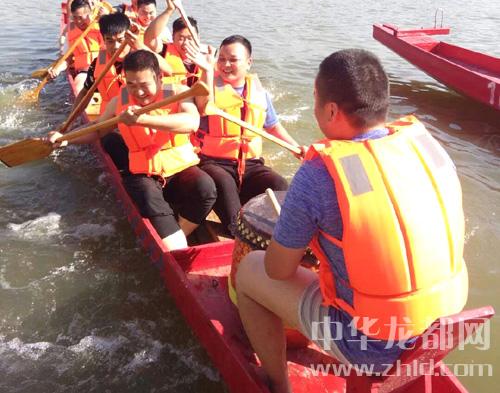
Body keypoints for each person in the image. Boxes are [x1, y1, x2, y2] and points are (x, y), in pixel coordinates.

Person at [235, 49, 468, 393]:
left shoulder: (317, 174)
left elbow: (278, 270)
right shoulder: (425, 148)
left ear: (331, 110)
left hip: (371, 343)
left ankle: (277, 384)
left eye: (315, 98)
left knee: (251, 270)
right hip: (442, 326)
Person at [48, 50, 217, 250]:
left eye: (144, 85)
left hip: (179, 168)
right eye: (131, 85)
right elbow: (98, 129)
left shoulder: (179, 92)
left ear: (159, 77)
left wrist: (143, 119)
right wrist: (66, 139)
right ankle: (176, 246)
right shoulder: (119, 101)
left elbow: (191, 122)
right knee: (147, 194)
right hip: (144, 174)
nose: (138, 92)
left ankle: (179, 233)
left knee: (206, 188)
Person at [196, 35, 302, 234]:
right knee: (227, 193)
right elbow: (202, 107)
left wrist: (296, 149)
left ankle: (280, 235)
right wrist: (206, 70)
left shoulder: (259, 92)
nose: (226, 64)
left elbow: (273, 126)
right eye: (221, 59)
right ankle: (239, 231)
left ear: (249, 62)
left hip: (251, 164)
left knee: (278, 184)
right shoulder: (207, 86)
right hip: (215, 163)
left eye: (233, 60)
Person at [48, 0, 104, 94]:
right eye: (75, 17)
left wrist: (104, 18)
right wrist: (57, 69)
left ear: (89, 14)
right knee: (78, 89)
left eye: (81, 18)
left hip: (103, 71)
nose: (78, 21)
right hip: (84, 73)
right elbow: (67, 58)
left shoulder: (101, 26)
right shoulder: (71, 32)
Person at [145, 0, 202, 87]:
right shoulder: (163, 51)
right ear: (173, 37)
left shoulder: (206, 58)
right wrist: (169, 10)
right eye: (181, 38)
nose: (186, 43)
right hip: (170, 95)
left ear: (198, 38)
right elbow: (149, 38)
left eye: (190, 38)